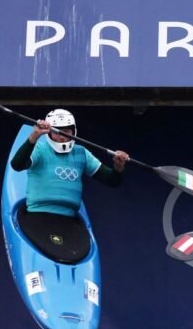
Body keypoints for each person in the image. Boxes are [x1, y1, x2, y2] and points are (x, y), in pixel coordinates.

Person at [10, 109, 129, 262]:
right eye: (56, 132)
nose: (61, 137)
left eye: (66, 131)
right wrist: (34, 136)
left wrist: (118, 168)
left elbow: (112, 181)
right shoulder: (40, 148)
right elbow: (17, 164)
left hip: (68, 221)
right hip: (38, 217)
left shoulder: (81, 153)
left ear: (73, 132)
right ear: (49, 133)